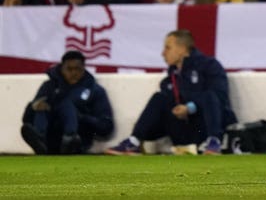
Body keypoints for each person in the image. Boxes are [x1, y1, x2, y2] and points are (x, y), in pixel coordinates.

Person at [106, 29, 237, 155]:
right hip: (186, 131)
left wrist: (191, 108)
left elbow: (219, 97)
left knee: (210, 95)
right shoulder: (170, 79)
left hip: (209, 127)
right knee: (159, 98)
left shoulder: (210, 66)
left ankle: (214, 142)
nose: (163, 53)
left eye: (168, 48)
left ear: (182, 49)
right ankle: (134, 141)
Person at [21, 51, 114, 154]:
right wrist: (32, 107)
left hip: (79, 138)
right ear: (62, 68)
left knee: (66, 104)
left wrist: (81, 117)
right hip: (50, 138)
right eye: (69, 69)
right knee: (43, 105)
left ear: (83, 68)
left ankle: (70, 139)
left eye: (77, 69)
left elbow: (106, 127)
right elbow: (26, 120)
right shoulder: (48, 87)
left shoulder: (94, 90)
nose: (73, 73)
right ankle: (40, 139)